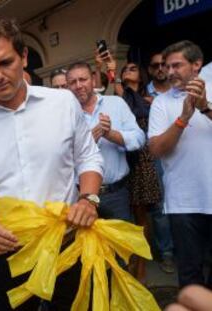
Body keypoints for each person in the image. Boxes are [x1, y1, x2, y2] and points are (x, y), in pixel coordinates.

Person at [0, 18, 104, 310]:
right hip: (5, 252)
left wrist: (88, 199)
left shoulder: (63, 104)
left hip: (66, 242)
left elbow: (88, 157)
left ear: (24, 57)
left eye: (6, 62)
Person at [148, 40, 212, 288]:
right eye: (167, 66)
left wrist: (204, 108)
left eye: (177, 65)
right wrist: (183, 118)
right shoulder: (161, 103)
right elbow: (155, 149)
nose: (170, 71)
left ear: (196, 65)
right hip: (183, 203)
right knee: (189, 275)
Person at [67, 61, 145, 223]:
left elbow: (139, 139)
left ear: (93, 81)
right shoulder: (65, 114)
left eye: (83, 79)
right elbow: (61, 158)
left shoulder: (116, 104)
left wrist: (110, 134)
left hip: (116, 194)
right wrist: (87, 142)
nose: (78, 85)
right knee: (89, 247)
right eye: (73, 82)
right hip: (83, 198)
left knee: (123, 246)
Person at [111, 61, 163, 281]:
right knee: (126, 217)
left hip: (141, 160)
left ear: (140, 76)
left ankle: (141, 264)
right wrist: (109, 71)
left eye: (133, 68)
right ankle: (128, 260)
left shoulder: (148, 100)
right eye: (125, 69)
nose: (127, 71)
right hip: (123, 158)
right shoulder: (120, 99)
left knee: (142, 217)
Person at [146, 52, 175, 275]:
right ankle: (167, 253)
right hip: (155, 157)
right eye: (155, 65)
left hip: (181, 155)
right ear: (150, 70)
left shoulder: (180, 92)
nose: (160, 69)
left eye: (164, 64)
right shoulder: (140, 95)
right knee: (161, 208)